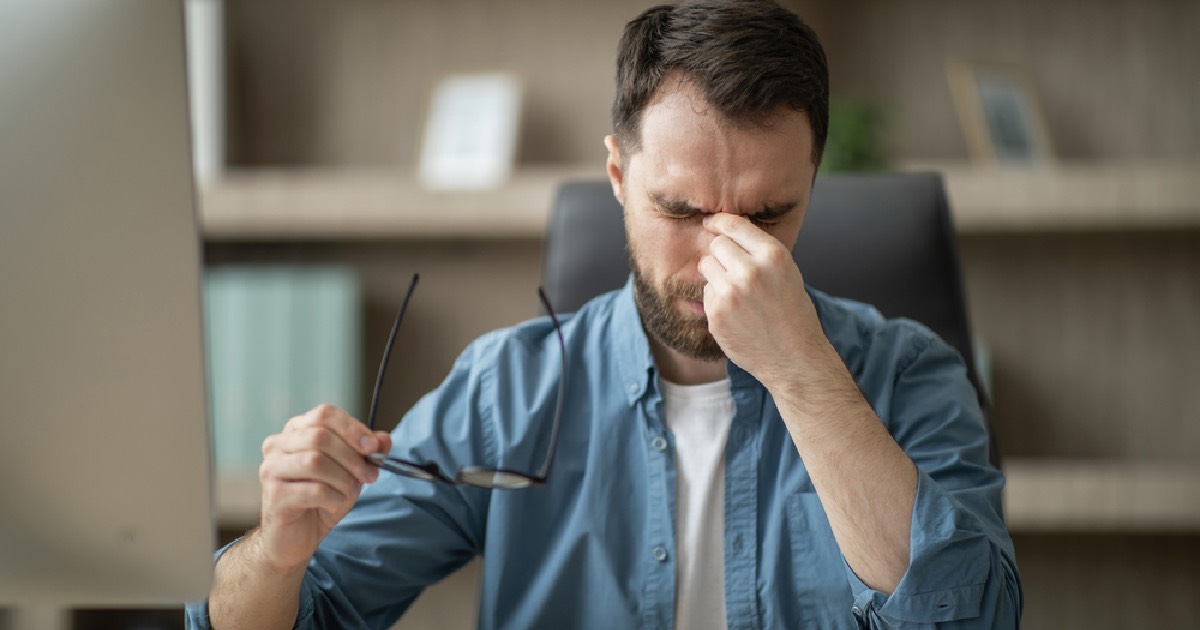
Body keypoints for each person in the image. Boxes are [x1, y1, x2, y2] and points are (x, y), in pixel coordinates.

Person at [187, 1, 1022, 628]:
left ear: (812, 184)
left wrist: (801, 373)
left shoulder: (910, 373)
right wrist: (278, 551)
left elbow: (966, 619)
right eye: (680, 208)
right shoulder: (507, 388)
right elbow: (307, 614)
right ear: (618, 177)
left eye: (767, 217)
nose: (715, 259)